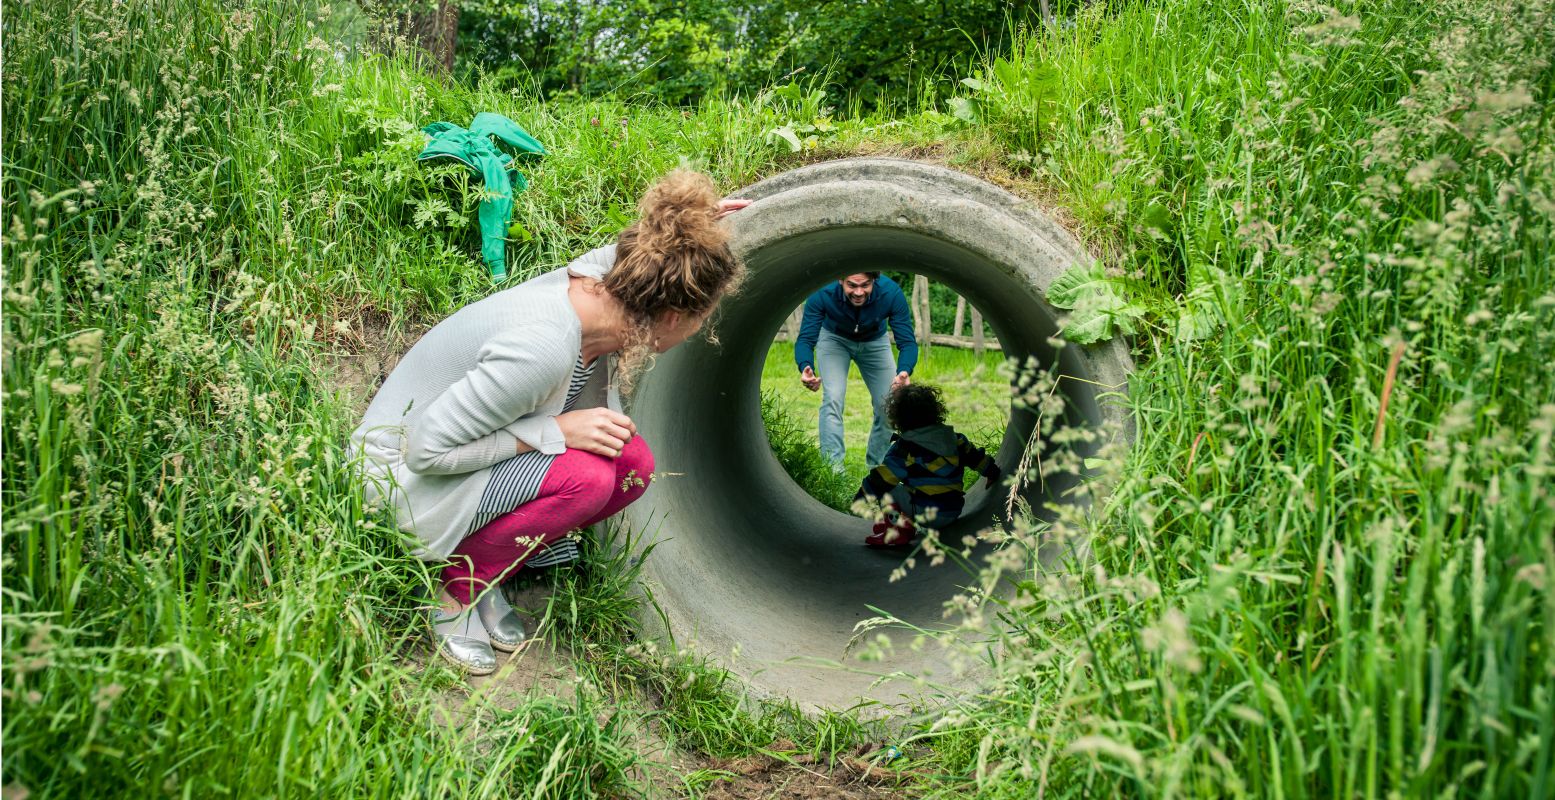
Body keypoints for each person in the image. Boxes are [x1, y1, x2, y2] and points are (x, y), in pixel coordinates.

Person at [350, 170, 748, 674]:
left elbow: (639, 257)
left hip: (455, 463)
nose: (700, 327)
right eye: (701, 316)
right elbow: (425, 449)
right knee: (587, 478)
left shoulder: (606, 287)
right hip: (396, 479)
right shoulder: (542, 348)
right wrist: (554, 433)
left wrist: (690, 236)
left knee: (632, 463)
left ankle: (486, 566)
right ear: (671, 316)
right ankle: (453, 594)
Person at [793, 272, 918, 469]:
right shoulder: (822, 291)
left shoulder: (891, 292)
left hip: (875, 341)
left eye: (865, 285)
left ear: (874, 281)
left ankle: (879, 469)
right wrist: (805, 365)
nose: (859, 292)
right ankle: (833, 471)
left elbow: (907, 342)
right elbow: (806, 338)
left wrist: (904, 371)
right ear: (840, 280)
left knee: (889, 402)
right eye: (852, 285)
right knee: (833, 397)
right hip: (834, 339)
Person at [854, 383, 1001, 549]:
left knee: (887, 489)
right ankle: (896, 523)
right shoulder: (955, 440)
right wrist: (992, 472)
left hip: (925, 513)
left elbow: (881, 478)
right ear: (935, 412)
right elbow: (977, 458)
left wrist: (861, 497)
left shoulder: (906, 448)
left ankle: (898, 530)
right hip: (952, 512)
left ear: (899, 419)